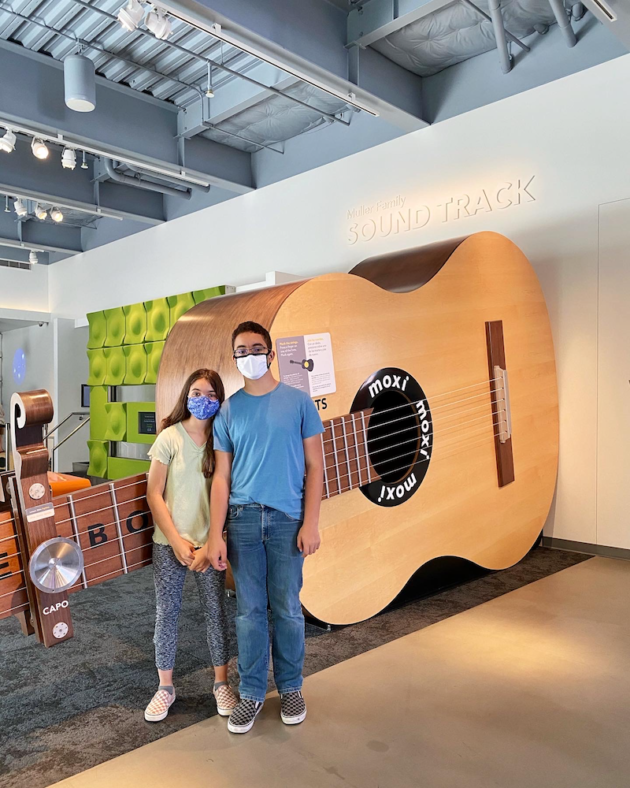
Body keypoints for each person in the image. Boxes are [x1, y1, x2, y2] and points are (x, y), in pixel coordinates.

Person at [193, 321, 324, 734]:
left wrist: (312, 523)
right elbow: (221, 478)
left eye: (256, 348)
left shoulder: (299, 403)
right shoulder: (229, 410)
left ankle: (290, 686)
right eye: (241, 350)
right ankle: (250, 691)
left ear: (270, 353)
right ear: (235, 357)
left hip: (287, 520)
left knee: (287, 608)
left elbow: (316, 466)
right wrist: (216, 534)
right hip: (243, 521)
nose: (249, 355)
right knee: (249, 611)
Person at [144, 368, 238, 722]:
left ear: (220, 401)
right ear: (186, 395)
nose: (204, 400)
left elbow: (227, 493)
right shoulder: (169, 437)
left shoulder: (222, 439)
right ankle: (165, 687)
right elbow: (154, 493)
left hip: (209, 547)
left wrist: (209, 543)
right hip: (169, 546)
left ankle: (221, 683)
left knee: (216, 612)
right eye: (197, 393)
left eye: (212, 395)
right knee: (166, 614)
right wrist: (176, 540)